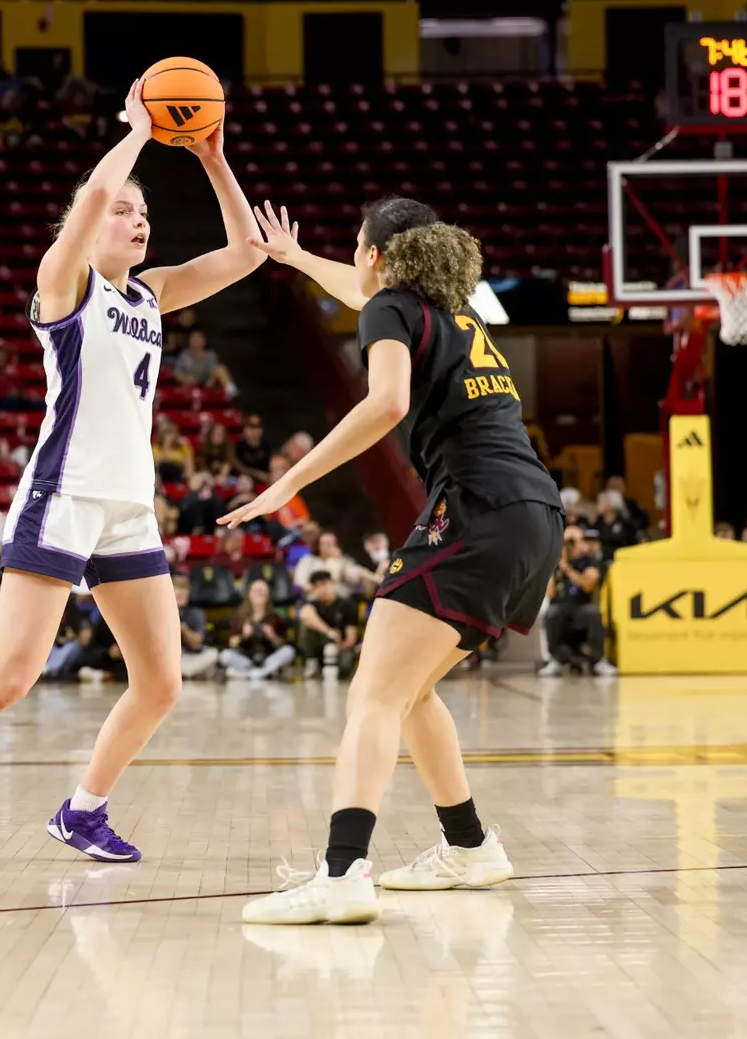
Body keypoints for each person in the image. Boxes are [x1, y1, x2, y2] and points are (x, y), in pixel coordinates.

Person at [0, 79, 263, 876]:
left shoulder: (152, 295)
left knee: (161, 683)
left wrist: (213, 158)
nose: (138, 220)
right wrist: (139, 131)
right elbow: (100, 190)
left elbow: (246, 253)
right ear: (88, 221)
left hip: (127, 511)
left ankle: (83, 811)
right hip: (64, 497)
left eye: (146, 216)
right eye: (124, 212)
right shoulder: (63, 286)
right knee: (7, 677)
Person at [230, 199, 562, 924]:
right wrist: (295, 258)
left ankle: (343, 872)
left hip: (477, 508)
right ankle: (470, 847)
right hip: (534, 514)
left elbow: (385, 403)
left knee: (373, 695)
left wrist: (289, 481)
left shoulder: (392, 311)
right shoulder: (451, 313)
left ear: (377, 256)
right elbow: (362, 295)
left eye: (355, 248)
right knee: (409, 693)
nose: (353, 262)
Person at [539, 526, 615, 677]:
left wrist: (567, 568)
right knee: (551, 613)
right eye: (568, 541)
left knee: (593, 613)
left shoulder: (590, 562)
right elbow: (549, 592)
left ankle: (598, 660)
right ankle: (556, 659)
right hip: (560, 608)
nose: (571, 545)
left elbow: (588, 585)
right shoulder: (555, 564)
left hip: (581, 607)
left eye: (575, 541)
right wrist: (553, 566)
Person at [219, 576, 297, 681]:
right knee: (225, 655)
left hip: (268, 657)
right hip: (246, 658)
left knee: (289, 651)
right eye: (256, 591)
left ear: (268, 595)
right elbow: (232, 643)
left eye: (263, 591)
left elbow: (282, 644)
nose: (260, 594)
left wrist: (272, 636)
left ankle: (255, 673)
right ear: (249, 594)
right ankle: (262, 673)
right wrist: (244, 635)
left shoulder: (275, 617)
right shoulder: (239, 617)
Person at [295, 570, 360, 679]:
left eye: (324, 584)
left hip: (341, 645)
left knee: (344, 667)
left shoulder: (348, 606)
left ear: (332, 583)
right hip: (321, 642)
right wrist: (329, 632)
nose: (322, 589)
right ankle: (312, 662)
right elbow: (304, 615)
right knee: (305, 625)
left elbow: (351, 638)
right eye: (317, 586)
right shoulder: (313, 604)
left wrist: (340, 646)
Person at [291, 530, 373, 599]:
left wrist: (340, 561)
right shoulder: (307, 560)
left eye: (332, 544)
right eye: (325, 544)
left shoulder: (344, 560)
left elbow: (354, 579)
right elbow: (300, 582)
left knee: (361, 572)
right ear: (318, 545)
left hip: (341, 598)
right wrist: (318, 589)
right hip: (314, 596)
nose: (329, 547)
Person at [170, 574, 221, 679]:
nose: (182, 601)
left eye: (185, 597)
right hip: (169, 659)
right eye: (178, 597)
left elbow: (196, 644)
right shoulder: (159, 614)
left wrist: (183, 627)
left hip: (190, 657)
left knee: (213, 654)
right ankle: (186, 674)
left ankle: (183, 673)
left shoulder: (197, 613)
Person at [152, 420, 195, 485]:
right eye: (166, 433)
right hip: (160, 478)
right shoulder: (155, 448)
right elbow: (153, 466)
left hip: (178, 477)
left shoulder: (183, 448)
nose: (169, 436)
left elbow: (189, 468)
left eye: (171, 433)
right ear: (161, 434)